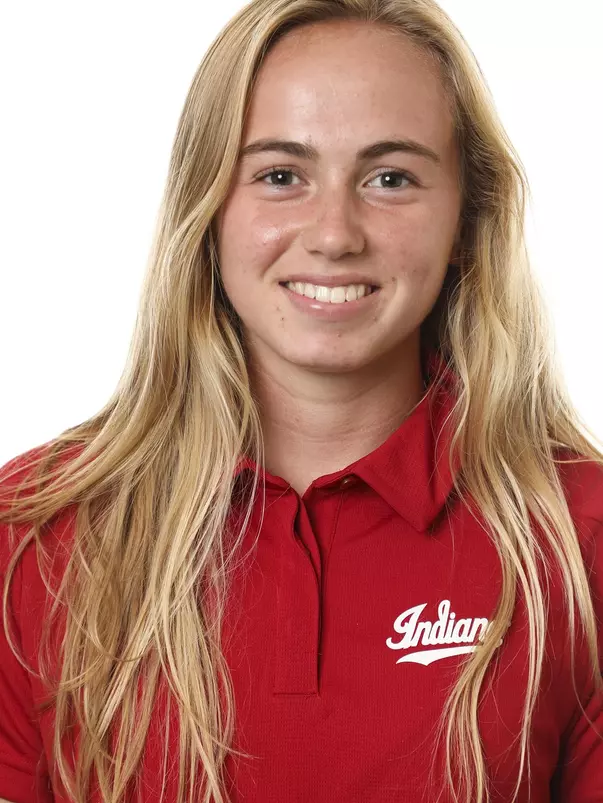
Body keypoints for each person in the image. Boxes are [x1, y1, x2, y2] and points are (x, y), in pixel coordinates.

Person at [1, 1, 602, 801]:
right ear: (208, 207)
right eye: (280, 175)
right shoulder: (35, 531)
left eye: (390, 178)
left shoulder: (576, 535)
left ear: (467, 218)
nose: (333, 233)